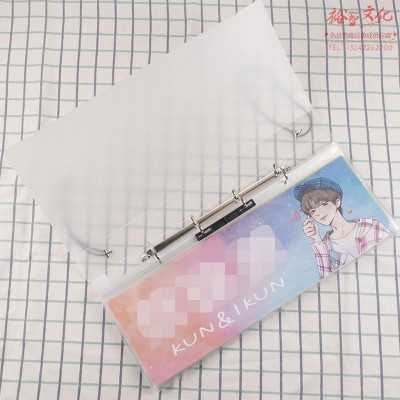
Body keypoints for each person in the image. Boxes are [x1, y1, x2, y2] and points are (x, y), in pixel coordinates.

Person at [294, 177, 392, 278]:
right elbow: (327, 279)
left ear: (337, 202)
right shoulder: (325, 245)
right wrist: (317, 239)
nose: (318, 213)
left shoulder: (370, 226)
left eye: (323, 204)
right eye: (312, 211)